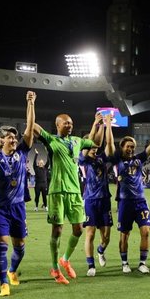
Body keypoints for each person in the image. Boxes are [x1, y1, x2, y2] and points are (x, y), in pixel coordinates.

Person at [34, 112, 103, 284]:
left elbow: (97, 142)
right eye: (66, 123)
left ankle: (64, 259)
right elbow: (33, 126)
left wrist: (98, 123)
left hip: (74, 192)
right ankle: (55, 269)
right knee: (57, 230)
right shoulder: (51, 140)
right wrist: (31, 104)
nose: (69, 125)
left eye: (71, 123)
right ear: (57, 125)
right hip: (57, 191)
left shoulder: (77, 141)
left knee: (78, 229)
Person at [0, 91, 36, 296]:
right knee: (2, 245)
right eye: (9, 137)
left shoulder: (22, 152)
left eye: (14, 137)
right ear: (1, 140)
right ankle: (3, 284)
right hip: (0, 208)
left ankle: (12, 271)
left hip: (18, 207)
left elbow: (29, 128)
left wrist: (30, 103)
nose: (14, 139)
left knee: (20, 246)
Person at [108, 124, 150, 274]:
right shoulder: (116, 160)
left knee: (145, 232)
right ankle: (125, 263)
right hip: (125, 202)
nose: (131, 149)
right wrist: (107, 125)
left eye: (133, 147)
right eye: (128, 146)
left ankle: (142, 263)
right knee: (124, 234)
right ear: (122, 147)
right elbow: (109, 144)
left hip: (140, 201)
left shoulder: (139, 159)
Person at [79, 114, 115, 277]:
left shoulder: (102, 158)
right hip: (90, 200)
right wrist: (95, 123)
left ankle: (101, 250)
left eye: (95, 147)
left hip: (105, 200)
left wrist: (105, 124)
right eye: (90, 146)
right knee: (90, 233)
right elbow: (91, 141)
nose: (94, 148)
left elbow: (106, 143)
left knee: (106, 236)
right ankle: (90, 265)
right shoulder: (83, 159)